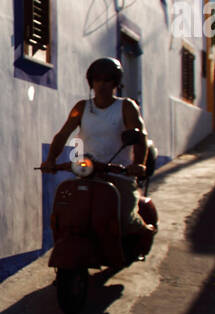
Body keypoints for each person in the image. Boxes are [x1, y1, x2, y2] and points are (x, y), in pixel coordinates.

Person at [39, 57, 151, 236]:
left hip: (118, 174)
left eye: (107, 80)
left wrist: (138, 164)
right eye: (97, 80)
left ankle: (144, 231)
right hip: (88, 173)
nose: (102, 85)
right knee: (70, 213)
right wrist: (50, 160)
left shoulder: (126, 106)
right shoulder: (82, 107)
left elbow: (139, 137)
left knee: (124, 220)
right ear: (91, 82)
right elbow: (63, 134)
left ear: (115, 82)